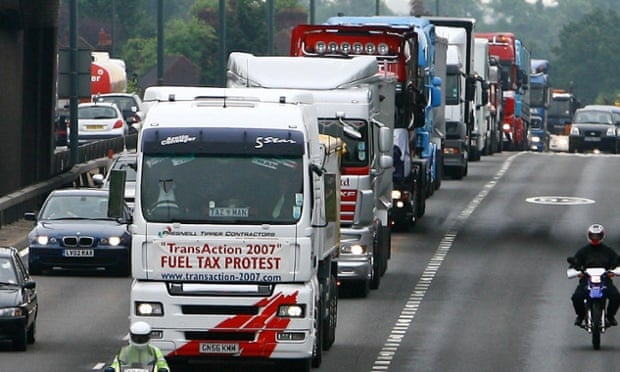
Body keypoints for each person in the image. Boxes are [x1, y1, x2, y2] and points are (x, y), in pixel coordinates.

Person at [569, 224, 620, 327]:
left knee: (616, 297)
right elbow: (575, 262)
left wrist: (613, 271)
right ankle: (581, 315)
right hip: (587, 279)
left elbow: (616, 261)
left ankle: (610, 316)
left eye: (597, 236)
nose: (595, 238)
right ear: (589, 236)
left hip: (604, 279)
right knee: (576, 297)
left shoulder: (608, 251)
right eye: (593, 235)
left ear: (602, 236)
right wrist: (577, 271)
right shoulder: (583, 251)